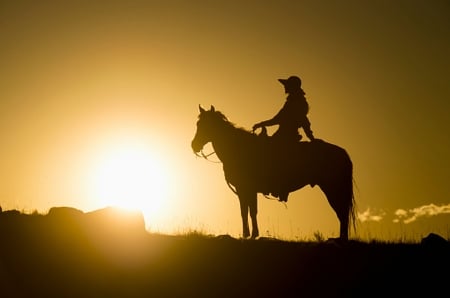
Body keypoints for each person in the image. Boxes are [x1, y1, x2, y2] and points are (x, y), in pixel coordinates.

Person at [252, 75, 315, 202]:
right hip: (282, 135)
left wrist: (261, 124)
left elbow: (283, 119)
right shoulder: (293, 101)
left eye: (286, 85)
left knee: (269, 153)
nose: (284, 87)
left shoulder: (297, 102)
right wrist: (262, 124)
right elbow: (281, 119)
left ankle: (279, 185)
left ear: (292, 87)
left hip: (286, 137)